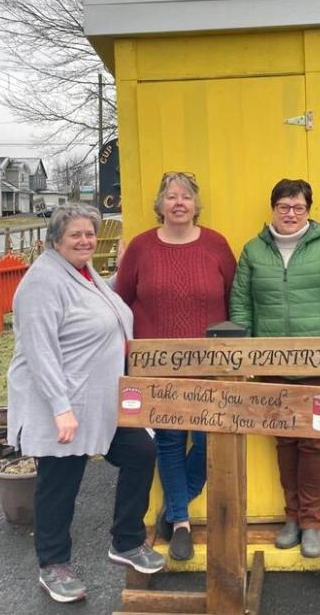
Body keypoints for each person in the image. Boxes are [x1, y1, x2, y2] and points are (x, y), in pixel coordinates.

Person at [7, 203, 166, 603]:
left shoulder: (83, 272)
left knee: (141, 452)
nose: (85, 240)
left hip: (100, 402)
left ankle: (126, 541)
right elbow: (39, 350)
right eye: (75, 234)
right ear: (55, 239)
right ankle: (53, 565)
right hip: (62, 404)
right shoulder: (42, 281)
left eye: (90, 233)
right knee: (60, 486)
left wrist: (126, 265)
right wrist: (61, 408)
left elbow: (99, 305)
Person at [229, 179, 320, 558]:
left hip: (318, 365)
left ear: (308, 211)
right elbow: (241, 307)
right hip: (272, 365)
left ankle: (312, 522)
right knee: (284, 441)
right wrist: (244, 359)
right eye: (284, 206)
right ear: (273, 209)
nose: (290, 214)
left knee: (316, 443)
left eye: (298, 207)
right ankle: (291, 517)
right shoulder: (252, 251)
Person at [113, 172, 237, 561]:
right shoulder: (141, 248)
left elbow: (235, 300)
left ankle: (172, 505)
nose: (179, 202)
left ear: (196, 205)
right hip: (156, 366)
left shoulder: (216, 245)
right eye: (171, 196)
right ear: (160, 204)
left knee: (204, 441)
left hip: (207, 363)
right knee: (168, 441)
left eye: (185, 196)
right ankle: (181, 522)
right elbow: (120, 302)